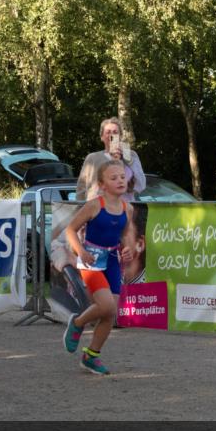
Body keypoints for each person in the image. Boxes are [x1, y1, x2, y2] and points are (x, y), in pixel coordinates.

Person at [63, 160, 136, 375]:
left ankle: (91, 357)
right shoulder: (95, 205)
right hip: (91, 260)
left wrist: (127, 249)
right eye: (113, 178)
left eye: (122, 176)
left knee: (109, 314)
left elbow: (123, 235)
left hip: (113, 261)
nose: (120, 180)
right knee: (107, 306)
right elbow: (70, 230)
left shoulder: (127, 208)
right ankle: (77, 322)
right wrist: (81, 251)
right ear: (103, 185)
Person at [76, 117, 146, 203]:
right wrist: (79, 207)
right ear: (101, 137)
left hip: (125, 208)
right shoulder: (93, 158)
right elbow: (81, 187)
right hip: (98, 207)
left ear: (120, 136)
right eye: (108, 132)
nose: (111, 135)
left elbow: (141, 185)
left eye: (115, 132)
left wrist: (128, 159)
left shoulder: (130, 155)